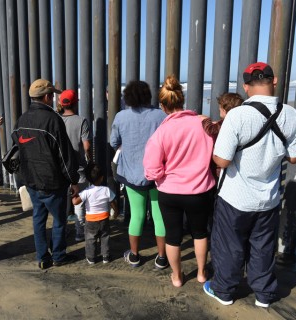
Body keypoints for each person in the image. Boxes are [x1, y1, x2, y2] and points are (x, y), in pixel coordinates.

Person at [203, 62, 296, 307]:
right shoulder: (293, 116)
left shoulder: (237, 115)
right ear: (275, 80)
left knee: (230, 245)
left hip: (235, 197)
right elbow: (294, 157)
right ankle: (264, 294)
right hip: (268, 197)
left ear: (246, 86)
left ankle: (224, 291)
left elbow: (223, 160)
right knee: (263, 246)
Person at [143, 75, 215, 287]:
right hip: (200, 190)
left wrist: (165, 175)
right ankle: (202, 273)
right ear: (182, 100)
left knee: (173, 237)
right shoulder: (203, 124)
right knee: (200, 233)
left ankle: (176, 276)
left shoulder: (161, 133)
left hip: (170, 192)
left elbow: (151, 171)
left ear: (163, 106)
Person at [13, 79, 80, 269]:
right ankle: (58, 256)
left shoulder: (22, 120)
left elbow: (17, 147)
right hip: (53, 182)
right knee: (59, 221)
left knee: (38, 219)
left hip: (31, 179)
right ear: (47, 96)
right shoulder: (53, 120)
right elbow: (64, 155)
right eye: (52, 95)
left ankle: (43, 257)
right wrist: (73, 180)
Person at [110, 80, 168, 269]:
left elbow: (113, 142)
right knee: (160, 217)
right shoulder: (161, 115)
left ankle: (134, 255)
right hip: (158, 174)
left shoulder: (121, 116)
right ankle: (161, 258)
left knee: (137, 215)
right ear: (148, 95)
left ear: (128, 97)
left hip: (132, 173)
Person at [57, 89, 92, 242]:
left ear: (61, 103)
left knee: (61, 203)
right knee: (79, 201)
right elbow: (87, 146)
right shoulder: (81, 120)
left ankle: (62, 233)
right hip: (79, 168)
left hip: (60, 168)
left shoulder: (56, 120)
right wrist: (89, 160)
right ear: (76, 102)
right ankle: (79, 233)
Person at [72, 163, 118, 264]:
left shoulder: (87, 191)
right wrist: (116, 213)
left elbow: (75, 202)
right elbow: (113, 203)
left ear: (88, 179)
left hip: (91, 220)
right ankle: (106, 256)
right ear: (102, 178)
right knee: (104, 237)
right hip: (104, 218)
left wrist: (74, 195)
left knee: (90, 238)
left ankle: (91, 257)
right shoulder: (106, 190)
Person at [200, 93, 244, 179]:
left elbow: (210, 129)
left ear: (224, 110)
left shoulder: (226, 123)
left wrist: (205, 119)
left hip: (220, 164)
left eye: (220, 108)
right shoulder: (239, 121)